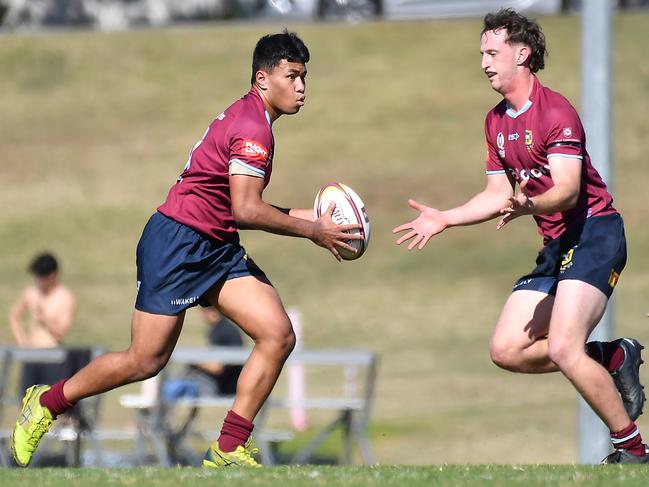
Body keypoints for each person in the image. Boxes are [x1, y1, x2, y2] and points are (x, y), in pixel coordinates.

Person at [12, 30, 361, 469]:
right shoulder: (254, 127)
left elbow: (238, 207)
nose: (301, 87)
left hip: (215, 246)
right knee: (144, 361)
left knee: (277, 334)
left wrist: (317, 217)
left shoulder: (254, 118)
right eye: (292, 76)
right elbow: (247, 210)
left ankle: (229, 447)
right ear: (262, 78)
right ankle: (46, 402)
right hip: (177, 243)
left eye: (304, 77)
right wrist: (312, 232)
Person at [393, 9, 647, 464]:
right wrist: (445, 218)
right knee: (506, 349)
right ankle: (610, 356)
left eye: (493, 52)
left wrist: (529, 205)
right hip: (556, 247)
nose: (485, 62)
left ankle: (632, 450)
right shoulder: (496, 121)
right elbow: (496, 194)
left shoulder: (556, 111)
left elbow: (568, 189)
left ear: (522, 53)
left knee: (566, 348)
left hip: (595, 234)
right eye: (482, 54)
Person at [9, 252, 77, 390]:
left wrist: (43, 318)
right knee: (25, 402)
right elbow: (14, 317)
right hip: (31, 355)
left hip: (52, 356)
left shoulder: (65, 297)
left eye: (41, 276)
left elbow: (61, 332)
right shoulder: (31, 292)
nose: (38, 280)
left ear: (52, 275)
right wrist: (22, 341)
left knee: (48, 402)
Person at [162, 307, 244, 400]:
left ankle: (155, 410)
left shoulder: (222, 332)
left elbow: (217, 368)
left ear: (212, 312)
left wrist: (194, 361)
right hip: (223, 383)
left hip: (222, 387)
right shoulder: (224, 329)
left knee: (171, 385)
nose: (202, 316)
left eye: (203, 312)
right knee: (173, 379)